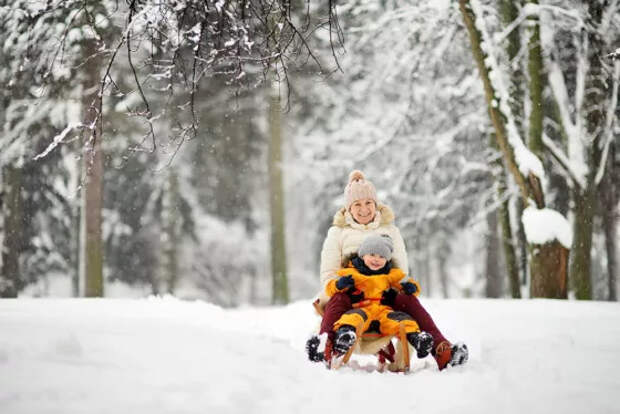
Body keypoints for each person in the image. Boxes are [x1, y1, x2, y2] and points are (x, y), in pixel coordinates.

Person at [306, 170, 468, 369]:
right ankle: (326, 345)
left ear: (376, 204)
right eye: (357, 204)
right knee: (337, 298)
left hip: (384, 295)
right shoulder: (338, 233)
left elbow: (401, 269)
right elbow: (328, 274)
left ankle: (442, 350)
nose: (364, 209)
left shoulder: (390, 230)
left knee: (408, 300)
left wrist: (405, 287)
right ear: (349, 208)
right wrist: (338, 284)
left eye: (368, 203)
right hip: (351, 293)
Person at [326, 234, 434, 359]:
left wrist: (412, 287)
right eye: (372, 255)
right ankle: (344, 336)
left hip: (383, 311)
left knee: (403, 320)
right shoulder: (351, 272)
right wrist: (340, 284)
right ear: (362, 255)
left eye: (382, 256)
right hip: (362, 309)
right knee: (352, 318)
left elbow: (406, 281)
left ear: (387, 260)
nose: (376, 259)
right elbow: (330, 289)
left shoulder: (391, 274)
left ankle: (417, 340)